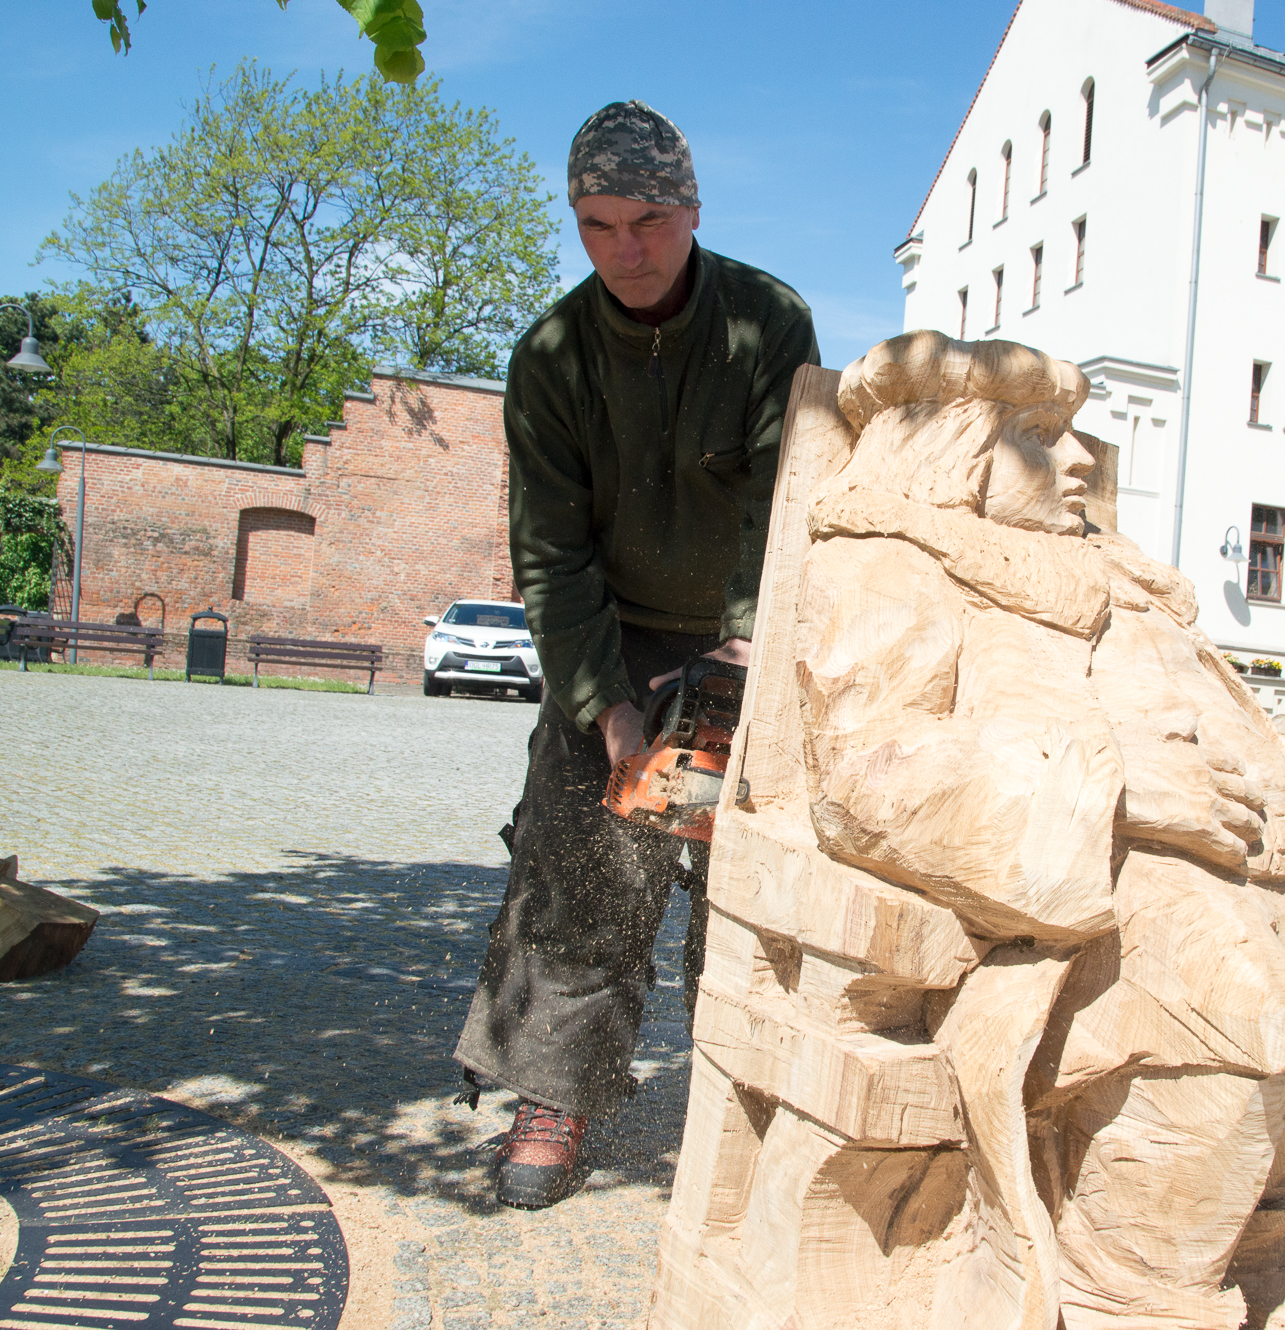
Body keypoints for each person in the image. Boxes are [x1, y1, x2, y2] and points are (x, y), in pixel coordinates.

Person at [452, 100, 819, 1210]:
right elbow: (551, 555)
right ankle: (554, 1092)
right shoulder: (551, 357)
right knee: (582, 868)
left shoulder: (767, 321)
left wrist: (748, 656)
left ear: (691, 211)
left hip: (746, 633)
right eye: (598, 223)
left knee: (750, 880)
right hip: (607, 632)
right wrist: (605, 709)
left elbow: (785, 501)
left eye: (649, 218)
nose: (628, 247)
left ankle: (750, 1096)